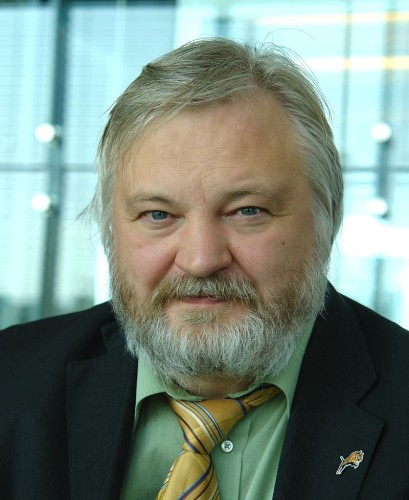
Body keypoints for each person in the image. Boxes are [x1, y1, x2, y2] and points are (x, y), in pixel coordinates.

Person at [1, 38, 408, 500]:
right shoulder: (10, 381)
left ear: (327, 217)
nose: (201, 259)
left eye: (247, 211)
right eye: (158, 214)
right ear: (111, 230)